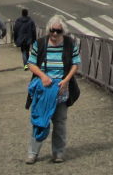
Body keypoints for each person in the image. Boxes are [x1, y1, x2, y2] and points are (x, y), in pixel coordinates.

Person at [25, 14, 80, 164]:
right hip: (43, 88)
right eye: (52, 30)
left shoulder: (69, 44)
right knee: (40, 120)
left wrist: (66, 80)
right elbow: (30, 63)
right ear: (48, 29)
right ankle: (32, 153)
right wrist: (42, 76)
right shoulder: (40, 43)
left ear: (63, 32)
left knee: (60, 122)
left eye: (58, 31)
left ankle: (58, 153)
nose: (55, 34)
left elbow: (75, 63)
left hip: (61, 89)